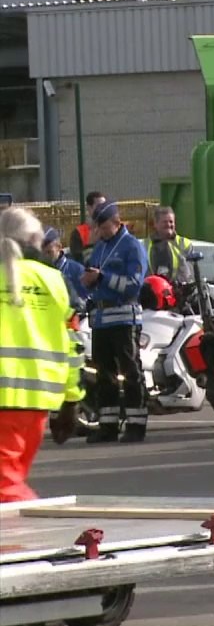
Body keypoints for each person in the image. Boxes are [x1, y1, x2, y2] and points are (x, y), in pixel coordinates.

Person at [0, 207, 84, 502]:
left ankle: (21, 543)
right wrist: (71, 400)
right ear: (36, 241)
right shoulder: (54, 281)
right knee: (12, 479)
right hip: (36, 403)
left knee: (6, 490)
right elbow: (72, 343)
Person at [82, 201, 150, 443]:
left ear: (116, 222)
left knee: (130, 371)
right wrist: (88, 281)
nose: (99, 230)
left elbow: (134, 283)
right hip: (101, 321)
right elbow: (93, 279)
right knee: (104, 375)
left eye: (103, 225)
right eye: (97, 226)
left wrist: (103, 278)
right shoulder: (100, 247)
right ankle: (108, 425)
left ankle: (136, 424)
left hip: (124, 318)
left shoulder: (132, 246)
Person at [41, 227, 91, 312]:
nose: (45, 257)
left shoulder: (76, 270)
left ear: (59, 247)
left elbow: (88, 301)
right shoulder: (37, 272)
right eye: (42, 253)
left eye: (49, 252)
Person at [142, 206, 194, 284]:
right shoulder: (144, 245)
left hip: (180, 292)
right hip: (153, 292)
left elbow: (190, 274)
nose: (169, 224)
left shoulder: (185, 244)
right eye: (165, 222)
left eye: (171, 221)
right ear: (155, 224)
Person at [69, 191, 107, 264]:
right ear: (89, 208)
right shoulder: (78, 233)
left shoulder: (113, 228)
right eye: (99, 206)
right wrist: (91, 245)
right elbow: (78, 262)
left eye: (105, 206)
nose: (103, 209)